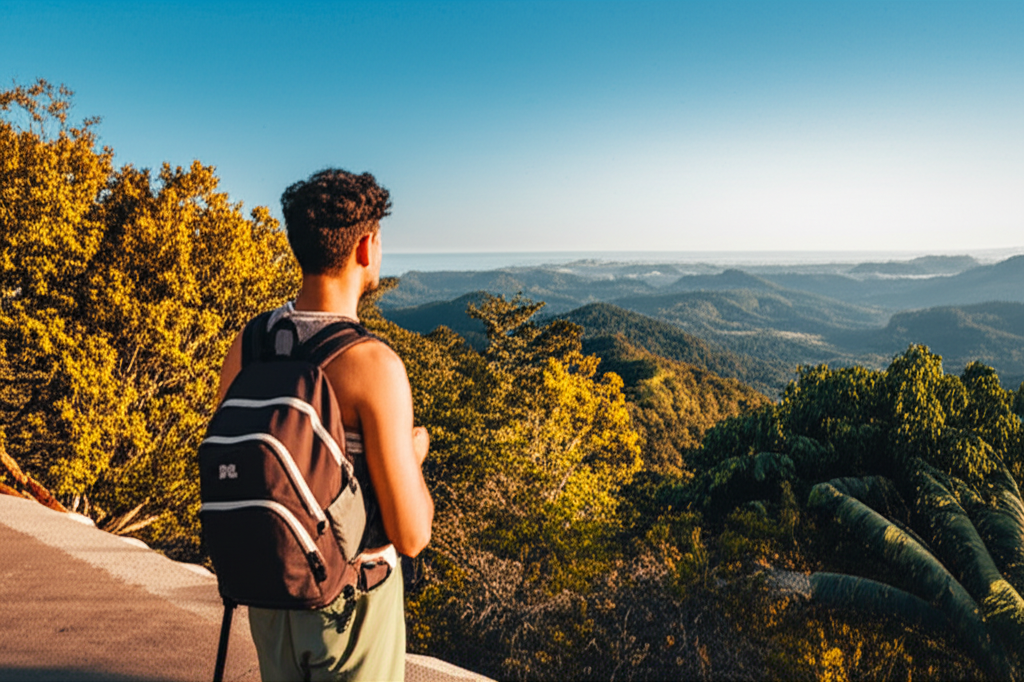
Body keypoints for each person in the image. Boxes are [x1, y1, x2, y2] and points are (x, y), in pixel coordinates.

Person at [215, 168, 434, 681]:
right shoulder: (373, 365)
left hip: (270, 595)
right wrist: (413, 454)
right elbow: (411, 534)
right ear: (366, 245)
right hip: (351, 603)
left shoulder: (249, 345)